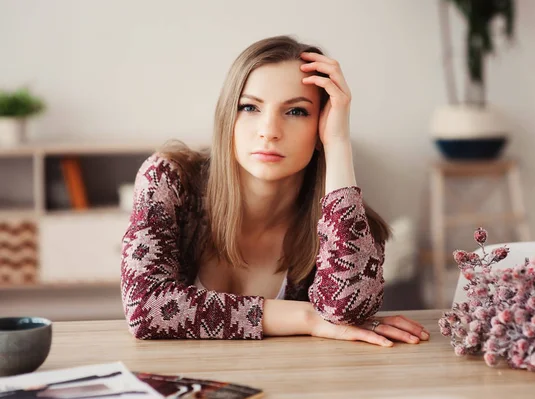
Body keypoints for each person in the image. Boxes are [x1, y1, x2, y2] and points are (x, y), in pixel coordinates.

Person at [120, 35, 429, 347]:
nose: (269, 131)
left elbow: (346, 310)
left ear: (320, 124)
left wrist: (338, 143)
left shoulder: (341, 221)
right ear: (228, 116)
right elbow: (145, 306)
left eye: (296, 111)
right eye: (250, 107)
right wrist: (307, 318)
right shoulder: (170, 180)